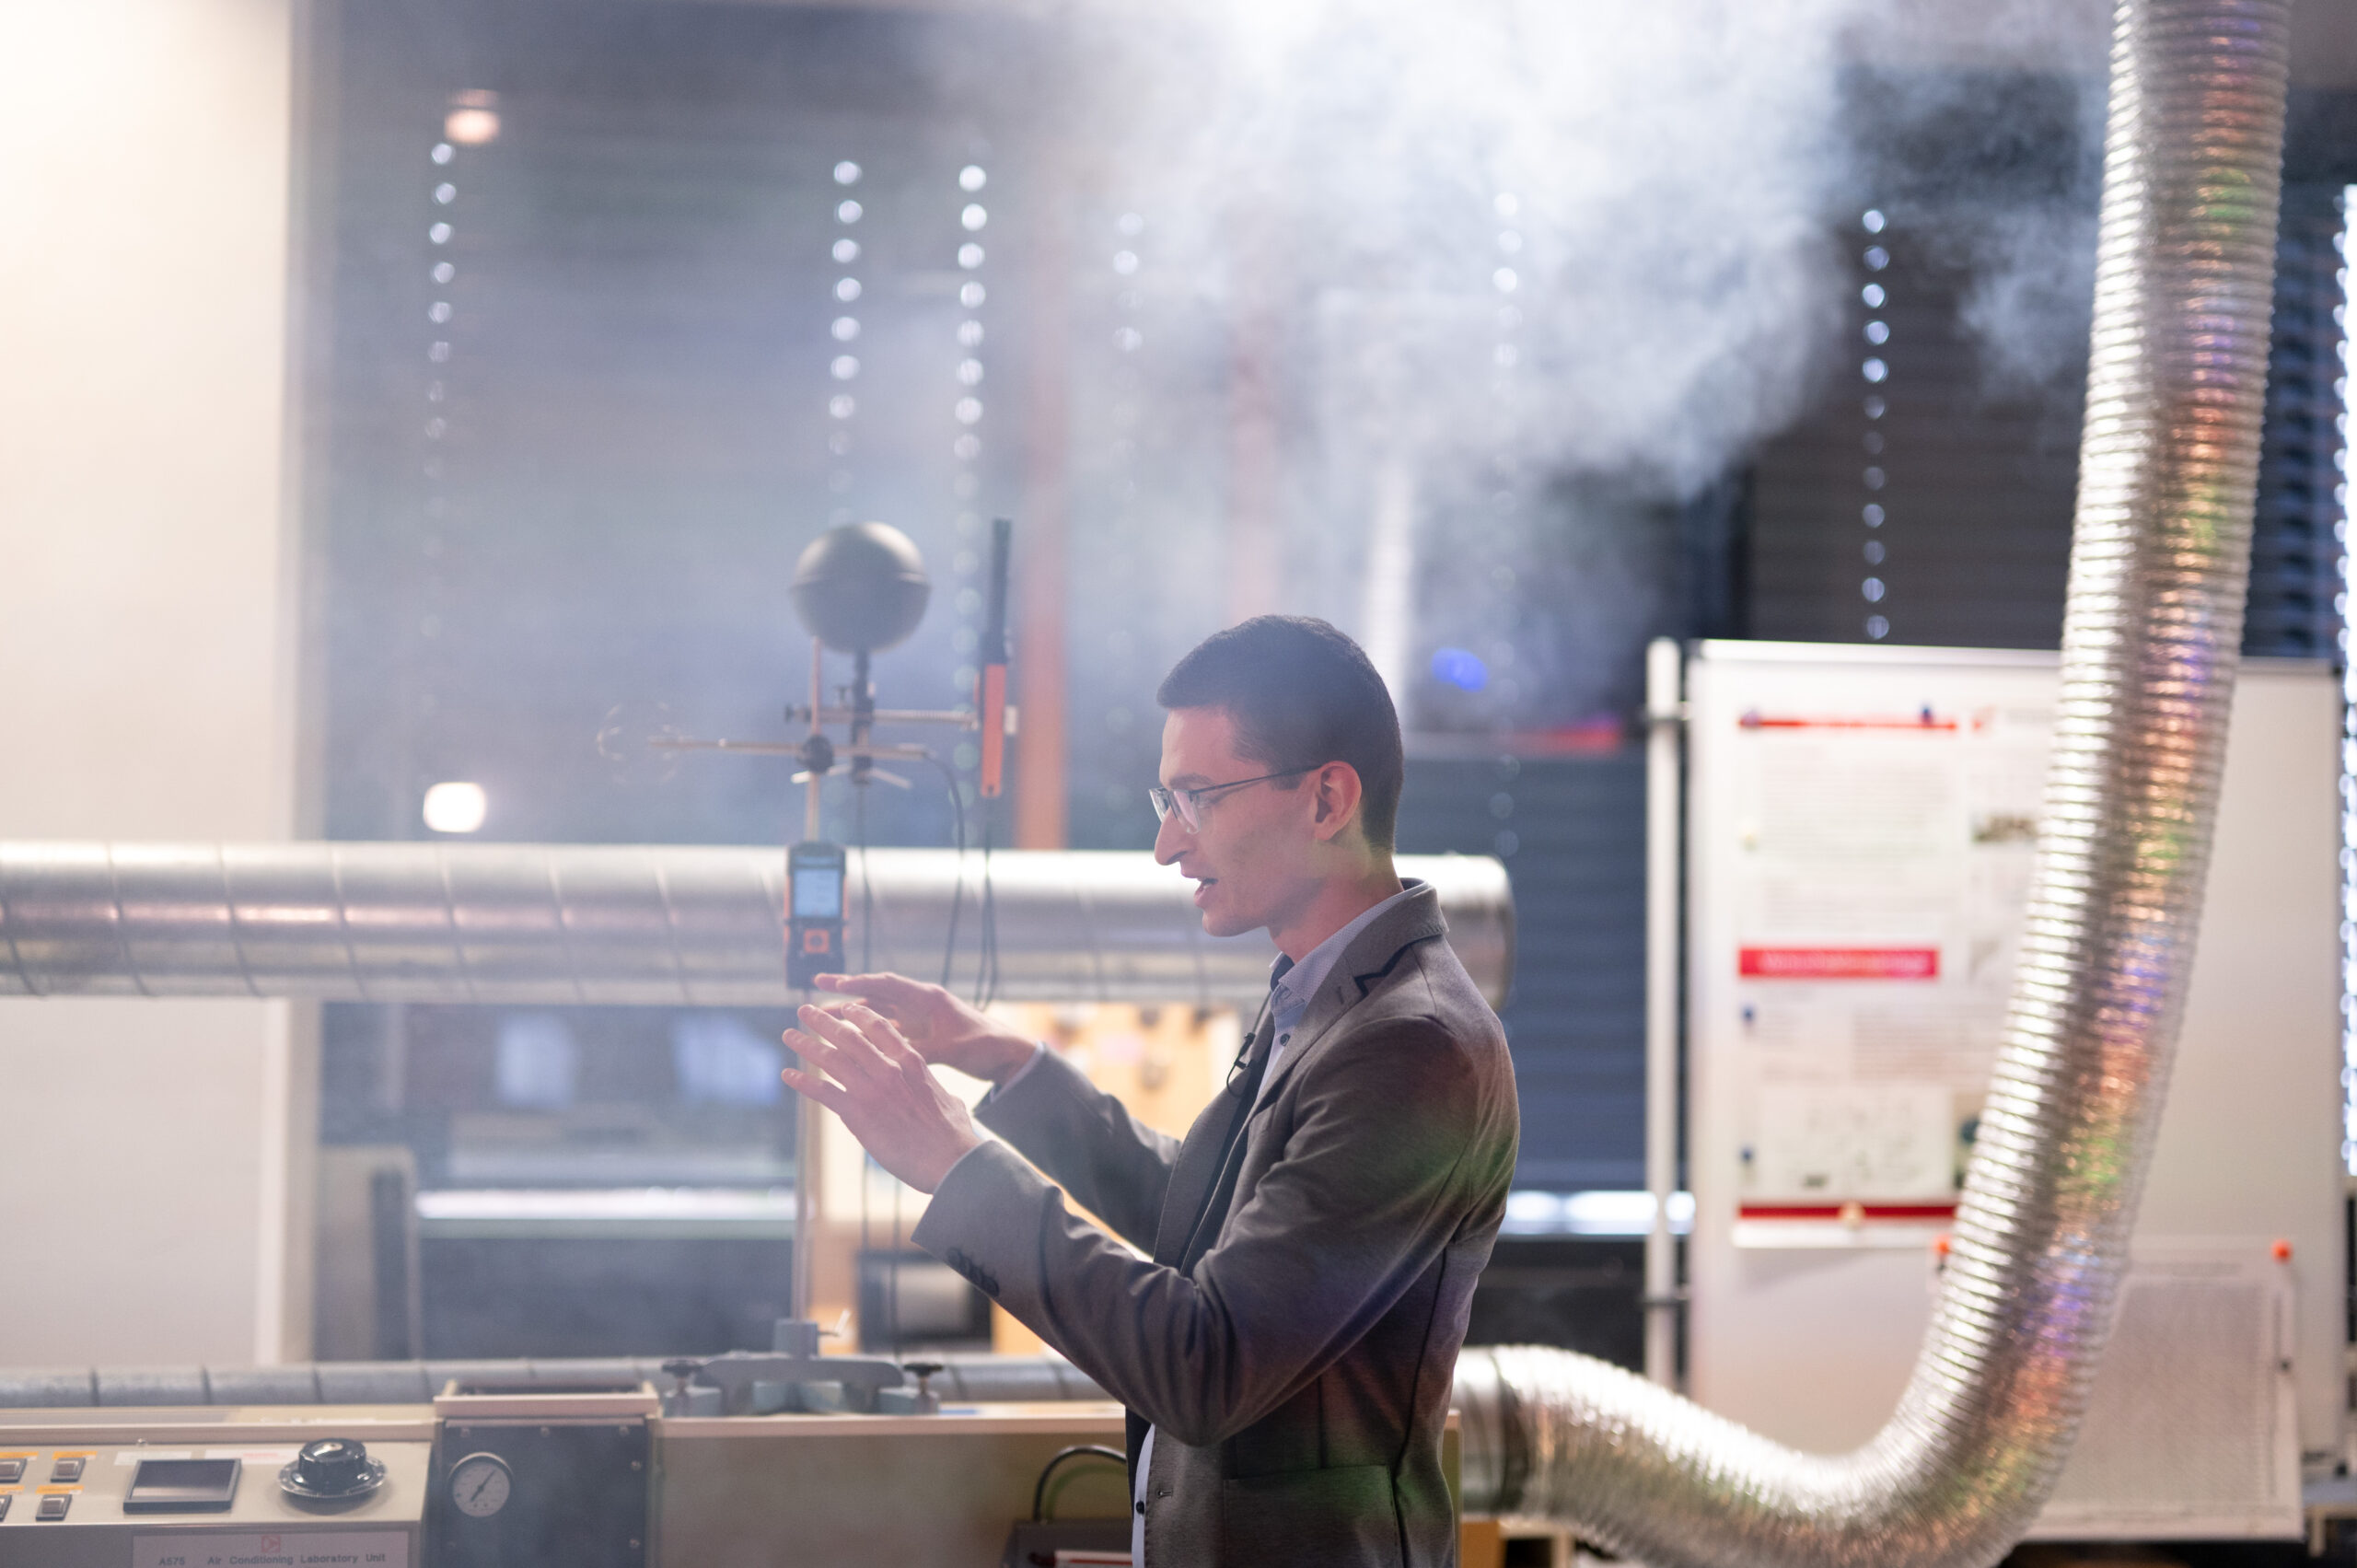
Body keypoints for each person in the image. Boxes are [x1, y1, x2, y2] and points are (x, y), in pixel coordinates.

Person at [782, 615, 1518, 1566]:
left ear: (1328, 796)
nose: (1167, 845)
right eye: (1165, 798)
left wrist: (956, 1161)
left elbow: (1204, 1360)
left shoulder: (1412, 1046)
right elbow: (1208, 1218)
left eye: (1197, 797)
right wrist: (1006, 1062)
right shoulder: (1323, 994)